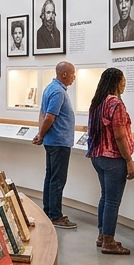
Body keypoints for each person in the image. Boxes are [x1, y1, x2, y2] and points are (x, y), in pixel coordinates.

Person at [86, 67, 134, 255]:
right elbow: (120, 136)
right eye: (123, 80)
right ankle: (109, 241)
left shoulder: (97, 102)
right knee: (113, 201)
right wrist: (129, 161)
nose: (125, 84)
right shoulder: (116, 104)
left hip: (98, 157)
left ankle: (102, 235)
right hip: (113, 158)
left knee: (105, 197)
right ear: (117, 82)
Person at [32, 61, 77, 228]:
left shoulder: (50, 88)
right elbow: (50, 117)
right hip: (59, 142)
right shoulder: (58, 91)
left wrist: (40, 134)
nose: (74, 77)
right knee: (57, 179)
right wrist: (41, 134)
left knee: (51, 177)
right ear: (64, 74)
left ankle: (49, 211)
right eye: (72, 73)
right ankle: (55, 215)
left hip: (53, 141)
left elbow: (43, 114)